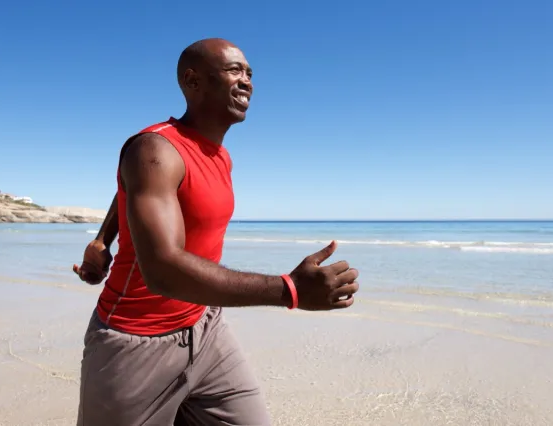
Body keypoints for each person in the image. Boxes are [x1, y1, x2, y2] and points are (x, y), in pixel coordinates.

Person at [74, 38, 360, 426]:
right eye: (234, 71)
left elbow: (127, 190)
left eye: (250, 73)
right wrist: (289, 290)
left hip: (206, 328)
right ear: (192, 81)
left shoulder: (219, 156)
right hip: (134, 341)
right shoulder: (154, 149)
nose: (247, 82)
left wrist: (101, 240)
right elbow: (162, 269)